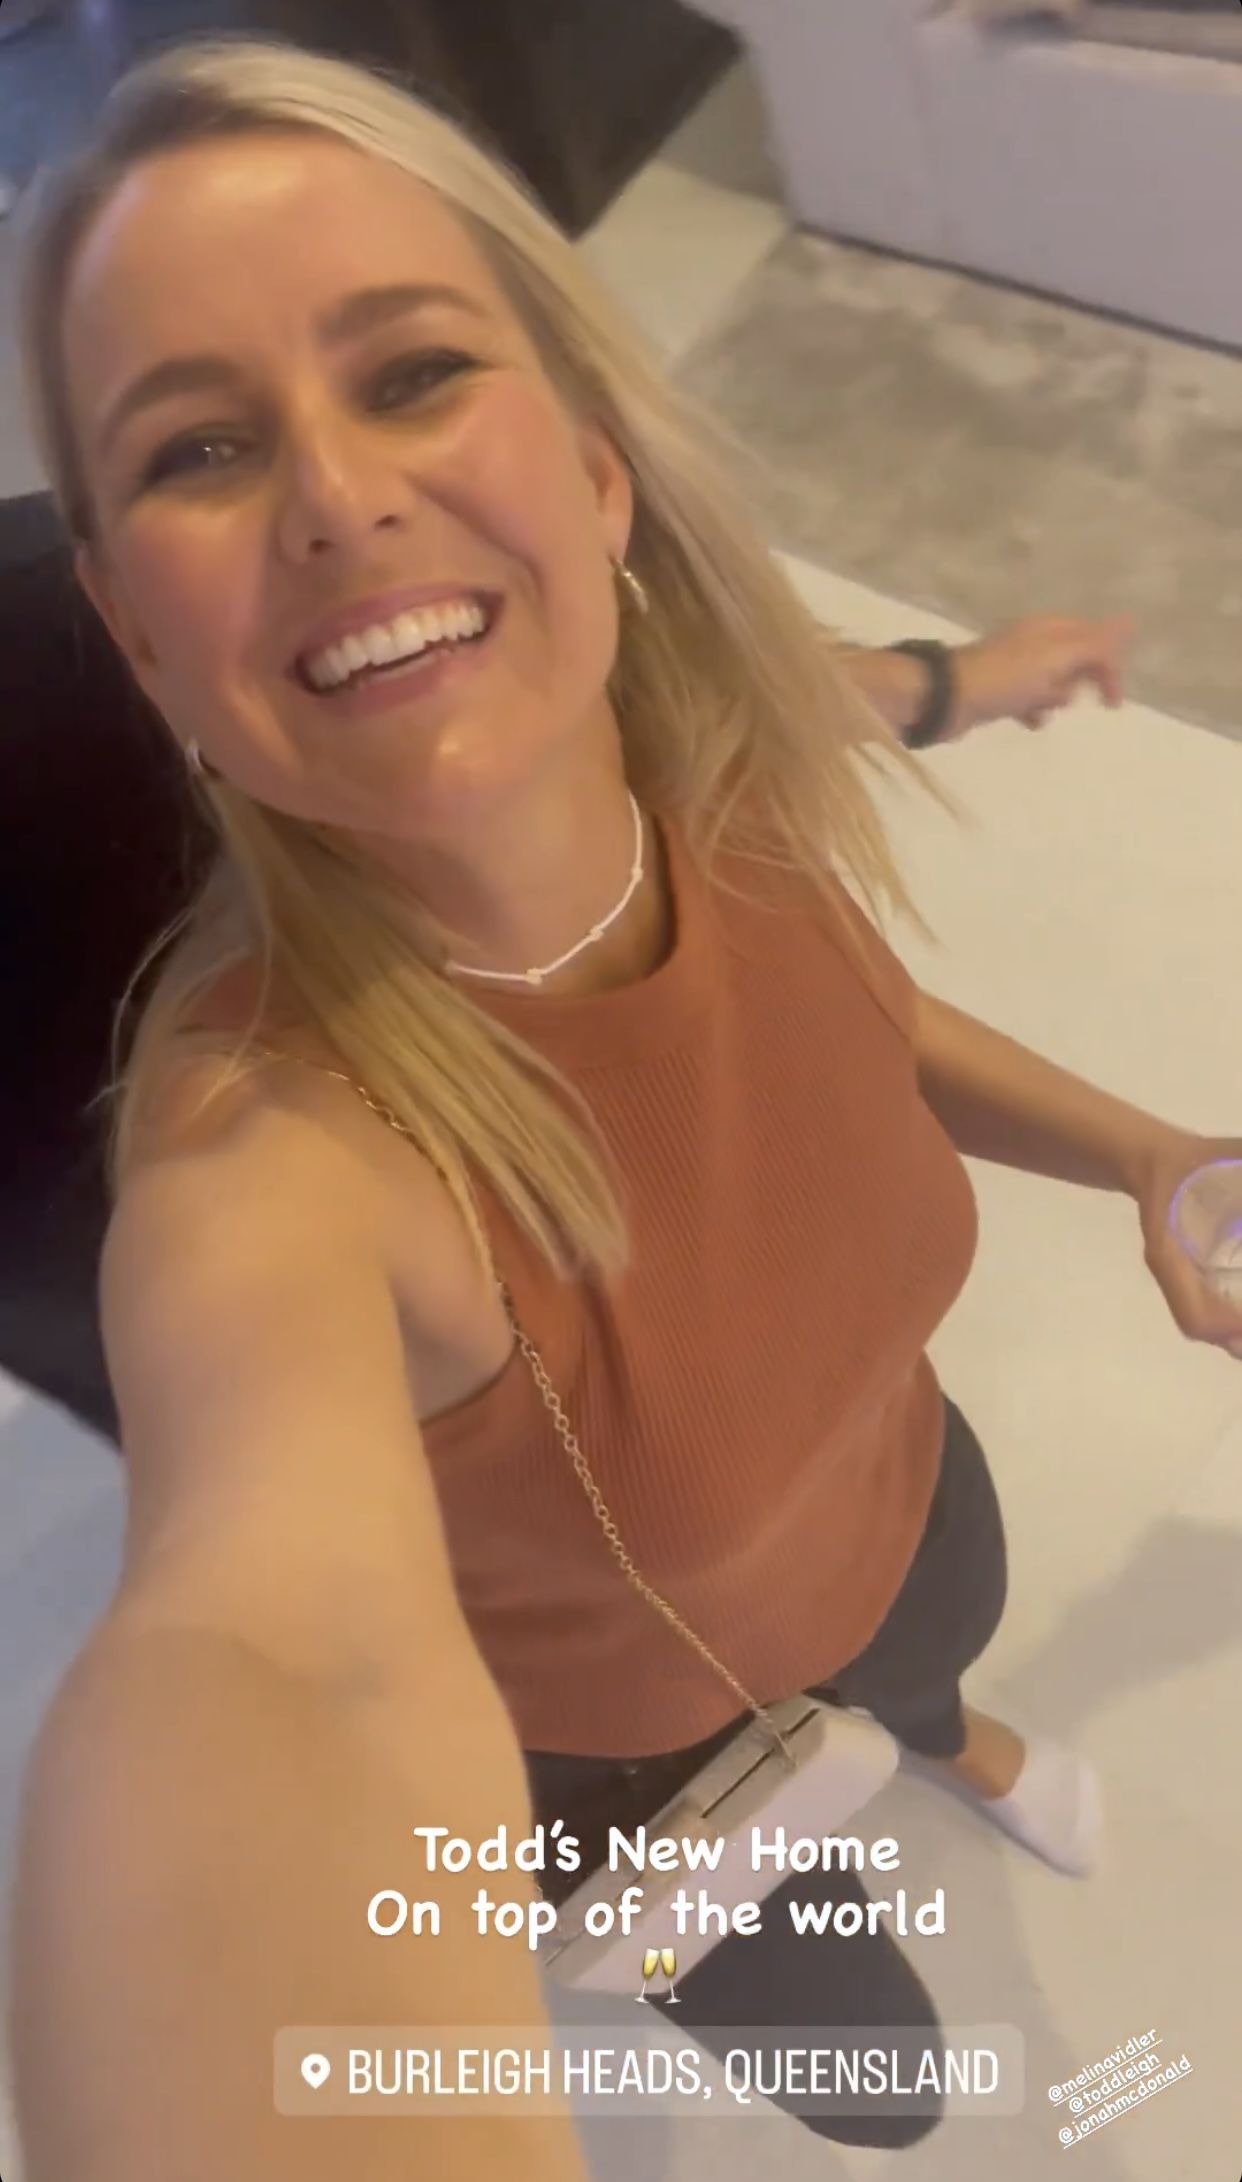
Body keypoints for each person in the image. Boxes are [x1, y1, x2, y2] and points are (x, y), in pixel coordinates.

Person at [8, 34, 1236, 2182]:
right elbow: (268, 1649)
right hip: (637, 1761)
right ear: (129, 621)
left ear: (588, 465)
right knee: (898, 2093)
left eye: (409, 372)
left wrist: (1141, 1132)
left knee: (928, 1658)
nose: (334, 496)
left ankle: (948, 1735)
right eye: (201, 443)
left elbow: (851, 983)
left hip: (899, 1513)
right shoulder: (269, 1163)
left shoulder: (697, 742)